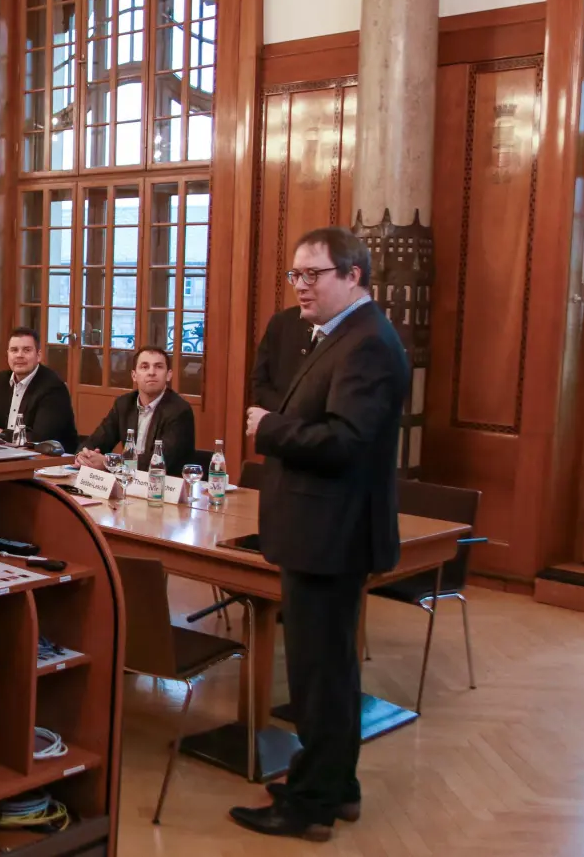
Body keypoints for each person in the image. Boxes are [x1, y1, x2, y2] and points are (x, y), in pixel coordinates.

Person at [229, 227, 409, 842]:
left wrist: (271, 428)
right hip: (318, 528)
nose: (301, 286)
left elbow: (347, 442)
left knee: (319, 673)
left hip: (331, 534)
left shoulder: (366, 345)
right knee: (325, 671)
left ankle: (308, 807)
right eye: (295, 275)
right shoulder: (339, 336)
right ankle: (337, 786)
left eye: (314, 274)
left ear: (353, 276)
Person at [74, 345, 195, 476]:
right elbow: (96, 440)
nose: (151, 372)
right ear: (134, 375)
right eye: (144, 367)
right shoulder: (124, 404)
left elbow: (158, 462)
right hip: (128, 481)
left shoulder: (180, 411)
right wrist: (83, 455)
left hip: (164, 487)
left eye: (158, 367)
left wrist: (109, 462)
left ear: (168, 375)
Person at [0, 327, 78, 453]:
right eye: (14, 350)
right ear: (8, 355)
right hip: (3, 454)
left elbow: (40, 438)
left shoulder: (53, 387)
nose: (19, 355)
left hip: (47, 460)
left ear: (38, 356)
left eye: (26, 350)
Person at [251, 304, 312, 411]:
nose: (301, 287)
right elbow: (260, 382)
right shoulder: (281, 321)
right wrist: (285, 414)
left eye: (312, 285)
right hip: (277, 418)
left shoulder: (346, 328)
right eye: (295, 285)